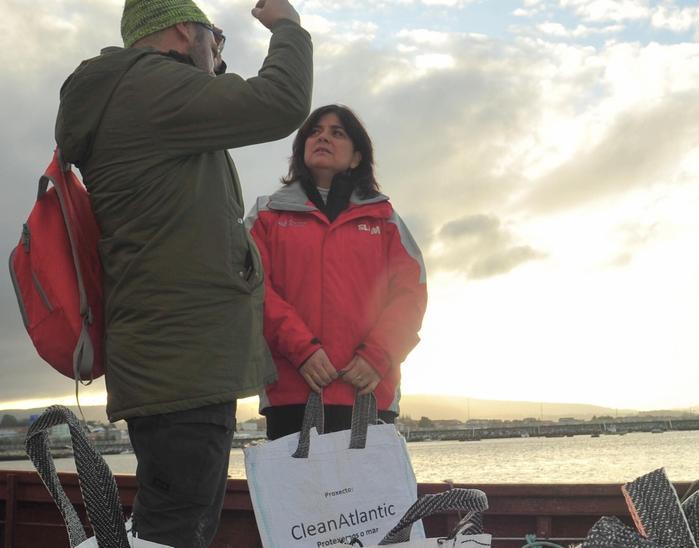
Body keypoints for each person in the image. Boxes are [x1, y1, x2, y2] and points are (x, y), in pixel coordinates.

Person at [52, 0, 311, 545]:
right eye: (215, 40)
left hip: (168, 357)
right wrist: (288, 27)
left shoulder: (134, 96)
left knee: (165, 524)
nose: (218, 57)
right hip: (183, 362)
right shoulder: (151, 87)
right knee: (176, 531)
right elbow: (280, 101)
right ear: (180, 29)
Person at [247, 104, 427, 440]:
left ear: (357, 157)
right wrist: (302, 351)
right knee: (299, 493)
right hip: (292, 394)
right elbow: (254, 289)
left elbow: (410, 293)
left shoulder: (384, 219)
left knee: (370, 495)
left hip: (368, 392)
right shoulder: (266, 217)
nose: (323, 137)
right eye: (314, 131)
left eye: (337, 132)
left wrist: (377, 356)